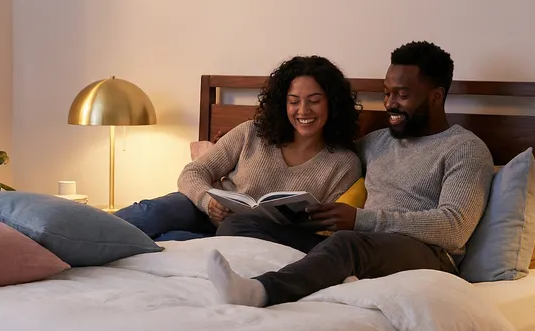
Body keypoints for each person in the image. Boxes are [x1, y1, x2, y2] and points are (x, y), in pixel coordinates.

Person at [208, 41, 494, 307]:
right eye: (386, 93)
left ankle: (263, 291)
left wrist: (360, 220)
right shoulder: (375, 142)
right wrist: (234, 148)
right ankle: (320, 272)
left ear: (436, 97)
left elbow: (454, 228)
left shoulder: (465, 149)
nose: (389, 103)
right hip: (359, 245)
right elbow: (322, 154)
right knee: (241, 224)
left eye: (402, 95)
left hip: (427, 254)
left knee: (347, 243)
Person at [115, 56, 363, 241]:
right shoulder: (251, 133)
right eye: (293, 101)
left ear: (332, 104)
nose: (303, 111)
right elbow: (193, 172)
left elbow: (324, 229)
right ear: (282, 104)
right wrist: (208, 202)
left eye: (314, 101)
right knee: (150, 213)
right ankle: (90, 233)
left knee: (169, 242)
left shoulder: (344, 164)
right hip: (204, 213)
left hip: (253, 237)